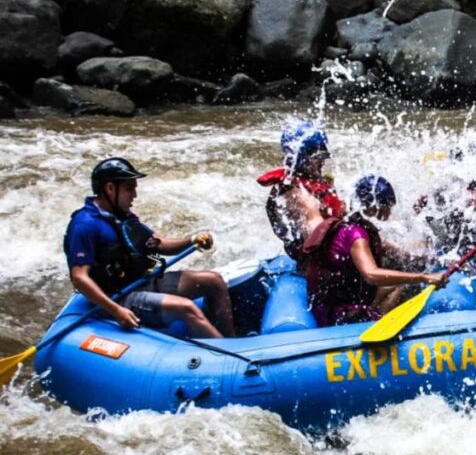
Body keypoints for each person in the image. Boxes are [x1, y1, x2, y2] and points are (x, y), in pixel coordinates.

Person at [64, 158, 234, 337]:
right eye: (130, 189)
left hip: (142, 282)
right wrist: (115, 310)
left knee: (214, 280)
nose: (135, 195)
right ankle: (229, 359)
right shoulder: (84, 225)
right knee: (187, 308)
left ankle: (231, 341)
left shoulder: (122, 216)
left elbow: (157, 243)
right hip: (117, 297)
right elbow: (79, 278)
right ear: (110, 189)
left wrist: (192, 240)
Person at [301, 175, 447, 326]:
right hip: (339, 314)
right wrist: (422, 277)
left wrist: (439, 261)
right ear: (374, 206)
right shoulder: (356, 235)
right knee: (404, 285)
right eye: (388, 205)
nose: (390, 211)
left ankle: (376, 316)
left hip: (334, 304)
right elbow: (371, 275)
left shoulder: (352, 225)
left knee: (398, 286)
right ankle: (378, 323)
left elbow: (400, 253)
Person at [257, 121, 344, 265]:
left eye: (324, 153)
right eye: (317, 157)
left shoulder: (321, 173)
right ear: (298, 159)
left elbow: (334, 196)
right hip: (314, 263)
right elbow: (315, 238)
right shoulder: (296, 194)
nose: (322, 161)